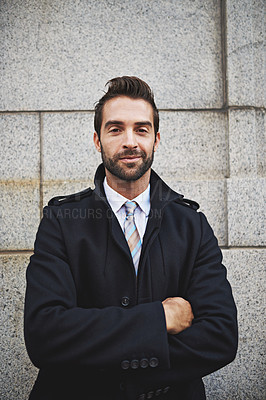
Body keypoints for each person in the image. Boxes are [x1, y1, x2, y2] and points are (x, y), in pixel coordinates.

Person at [24, 76, 238, 400]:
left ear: (156, 138)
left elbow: (220, 337)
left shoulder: (192, 225)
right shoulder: (61, 222)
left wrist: (105, 360)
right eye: (115, 129)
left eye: (141, 129)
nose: (129, 141)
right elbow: (45, 335)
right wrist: (160, 319)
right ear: (97, 140)